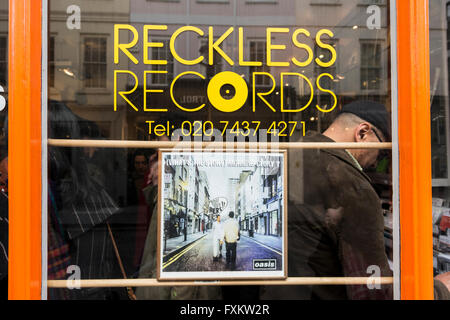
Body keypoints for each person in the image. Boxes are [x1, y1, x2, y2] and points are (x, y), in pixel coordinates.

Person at [261, 100, 393, 300]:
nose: (377, 162)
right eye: (382, 153)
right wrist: (438, 290)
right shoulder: (352, 185)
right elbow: (371, 289)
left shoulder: (285, 157)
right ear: (363, 133)